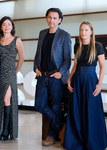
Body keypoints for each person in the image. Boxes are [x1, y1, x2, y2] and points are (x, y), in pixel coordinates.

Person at [63, 21, 107, 150]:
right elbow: (75, 64)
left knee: (91, 111)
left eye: (86, 30)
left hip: (90, 80)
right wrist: (70, 79)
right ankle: (76, 142)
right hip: (77, 79)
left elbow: (103, 66)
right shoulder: (77, 46)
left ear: (91, 32)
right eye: (82, 30)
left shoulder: (97, 46)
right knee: (76, 111)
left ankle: (93, 142)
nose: (83, 32)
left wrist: (99, 84)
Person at [33, 8, 72, 146]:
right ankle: (61, 126)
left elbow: (68, 59)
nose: (52, 20)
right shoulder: (42, 33)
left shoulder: (64, 35)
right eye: (50, 17)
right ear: (47, 18)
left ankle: (50, 136)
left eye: (55, 18)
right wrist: (36, 67)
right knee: (39, 105)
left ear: (60, 20)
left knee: (56, 107)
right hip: (42, 76)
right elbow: (38, 53)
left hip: (56, 76)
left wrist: (60, 73)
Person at [0, 16, 24, 141]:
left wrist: (15, 71)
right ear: (1, 27)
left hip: (10, 74)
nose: (7, 26)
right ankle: (2, 129)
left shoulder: (17, 40)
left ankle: (6, 131)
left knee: (7, 100)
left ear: (12, 27)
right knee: (1, 101)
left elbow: (22, 58)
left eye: (9, 24)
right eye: (4, 24)